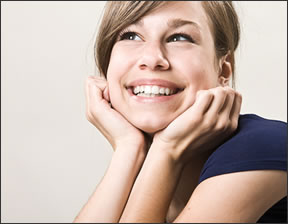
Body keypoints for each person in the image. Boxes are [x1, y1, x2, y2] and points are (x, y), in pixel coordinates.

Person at [74, 1, 287, 223]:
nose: (152, 58)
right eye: (131, 36)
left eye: (179, 38)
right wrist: (128, 149)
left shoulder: (263, 145)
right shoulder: (140, 165)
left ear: (223, 69)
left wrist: (168, 150)